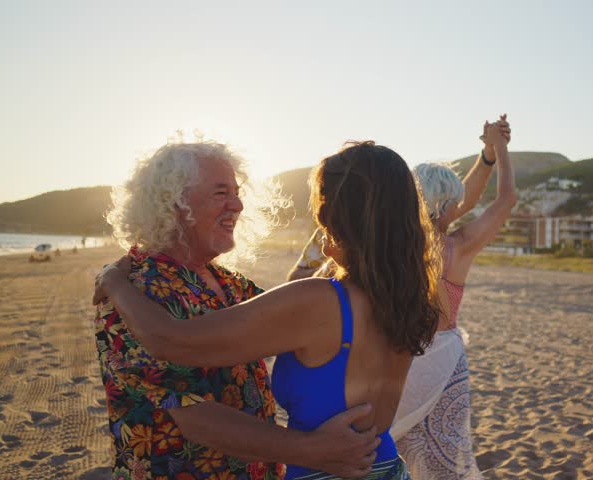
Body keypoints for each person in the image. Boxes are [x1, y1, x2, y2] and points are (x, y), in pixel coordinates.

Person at [96, 141, 442, 480]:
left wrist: (113, 280)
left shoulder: (292, 296)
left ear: (334, 214)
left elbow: (170, 340)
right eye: (221, 193)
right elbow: (187, 413)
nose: (239, 204)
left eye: (322, 205)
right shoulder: (403, 299)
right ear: (173, 202)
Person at [395, 116, 514, 479]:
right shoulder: (457, 248)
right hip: (443, 362)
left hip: (397, 357)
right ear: (446, 206)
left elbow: (460, 201)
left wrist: (487, 155)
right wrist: (502, 148)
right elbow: (506, 199)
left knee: (399, 451)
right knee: (447, 456)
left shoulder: (395, 246)